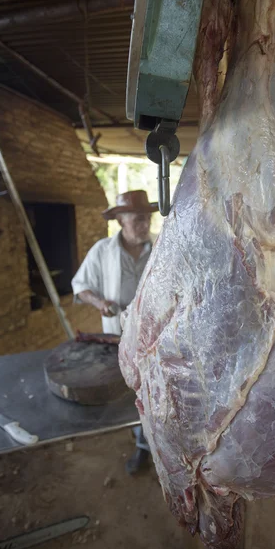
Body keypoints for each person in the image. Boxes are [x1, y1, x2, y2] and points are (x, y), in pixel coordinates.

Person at [71, 189, 158, 474]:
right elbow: (80, 285)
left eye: (147, 218)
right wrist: (99, 302)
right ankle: (141, 448)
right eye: (138, 219)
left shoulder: (160, 249)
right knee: (131, 397)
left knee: (157, 395)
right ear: (121, 220)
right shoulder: (102, 251)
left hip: (157, 340)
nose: (144, 224)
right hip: (119, 340)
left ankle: (158, 449)